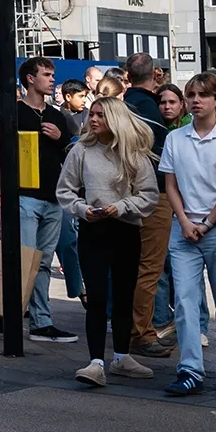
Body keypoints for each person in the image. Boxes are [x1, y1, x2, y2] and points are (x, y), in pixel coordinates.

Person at [59, 96, 160, 387]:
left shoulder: (134, 153)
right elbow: (65, 191)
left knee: (125, 294)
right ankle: (95, 362)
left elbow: (149, 195)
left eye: (101, 115)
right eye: (91, 114)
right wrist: (82, 209)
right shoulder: (81, 150)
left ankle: (122, 356)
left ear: (114, 118)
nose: (93, 120)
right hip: (93, 227)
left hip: (126, 228)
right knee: (97, 296)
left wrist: (123, 206)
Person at [160, 73, 216, 397]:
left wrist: (208, 223)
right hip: (183, 230)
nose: (196, 101)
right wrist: (183, 220)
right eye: (191, 95)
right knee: (184, 301)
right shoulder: (176, 138)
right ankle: (190, 369)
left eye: (203, 95)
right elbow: (170, 184)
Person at [0, 57, 80, 343]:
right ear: (30, 79)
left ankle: (40, 321)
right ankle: (9, 310)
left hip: (53, 197)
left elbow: (69, 156)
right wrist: (1, 196)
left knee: (43, 261)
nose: (52, 79)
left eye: (52, 74)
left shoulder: (58, 116)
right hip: (25, 197)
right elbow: (3, 156)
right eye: (46, 74)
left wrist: (60, 138)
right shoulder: (15, 112)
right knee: (25, 259)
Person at [121, 53, 174, 358]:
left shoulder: (123, 107)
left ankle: (132, 328)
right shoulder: (149, 108)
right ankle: (141, 333)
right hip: (153, 193)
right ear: (155, 74)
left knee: (130, 264)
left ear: (127, 75)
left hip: (124, 194)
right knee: (149, 266)